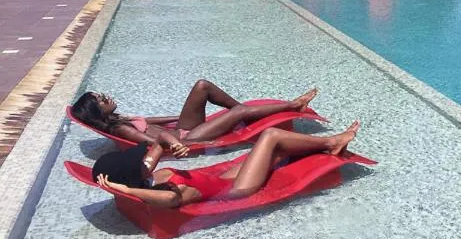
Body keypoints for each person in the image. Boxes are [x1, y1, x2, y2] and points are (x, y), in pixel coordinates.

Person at [92, 122, 361, 207]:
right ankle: (331, 143)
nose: (141, 160)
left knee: (276, 153)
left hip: (225, 177)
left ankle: (326, 147)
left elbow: (159, 144)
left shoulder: (146, 173)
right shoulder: (166, 193)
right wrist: (125, 191)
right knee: (270, 136)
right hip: (238, 188)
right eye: (134, 163)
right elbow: (164, 199)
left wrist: (173, 145)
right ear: (130, 179)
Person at [71, 79, 318, 157]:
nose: (107, 97)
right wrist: (177, 140)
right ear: (97, 112)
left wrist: (185, 115)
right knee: (239, 113)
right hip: (187, 139)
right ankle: (293, 105)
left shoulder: (120, 119)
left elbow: (152, 122)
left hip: (182, 129)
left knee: (202, 87)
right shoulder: (120, 130)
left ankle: (244, 111)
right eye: (103, 100)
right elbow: (153, 142)